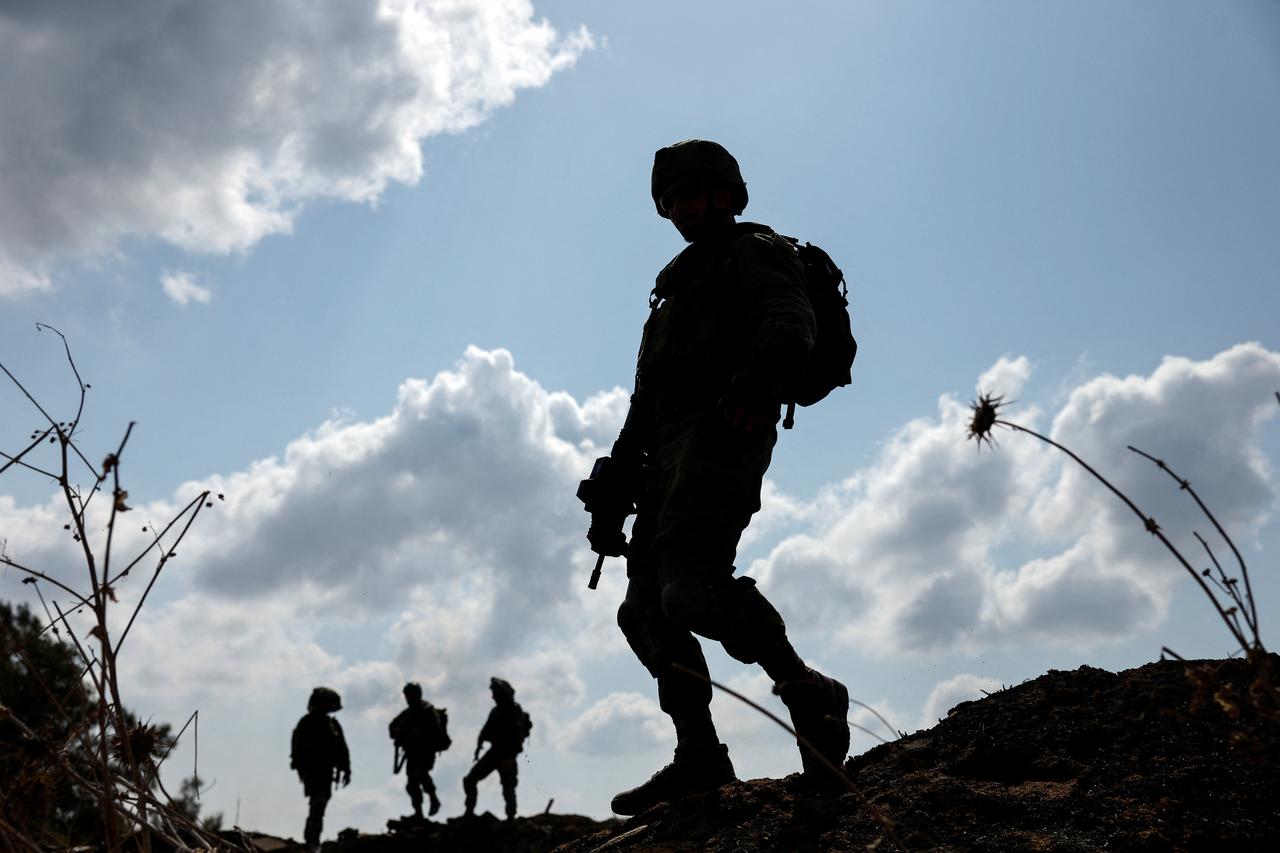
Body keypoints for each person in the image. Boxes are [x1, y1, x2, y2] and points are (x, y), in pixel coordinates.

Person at [582, 139, 851, 816]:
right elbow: (646, 403)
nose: (683, 208)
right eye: (671, 199)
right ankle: (700, 755)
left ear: (728, 193)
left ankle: (808, 694)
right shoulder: (671, 290)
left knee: (690, 592)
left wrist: (758, 385)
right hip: (667, 455)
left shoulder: (755, 253)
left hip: (725, 433)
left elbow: (793, 322)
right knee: (644, 609)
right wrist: (615, 483)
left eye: (695, 193)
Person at [462, 678, 532, 820]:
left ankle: (511, 817)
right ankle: (469, 812)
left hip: (507, 754)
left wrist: (510, 754)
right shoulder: (495, 711)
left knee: (508, 786)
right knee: (470, 780)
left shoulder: (514, 710)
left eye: (495, 692)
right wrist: (479, 744)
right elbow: (486, 730)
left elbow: (517, 734)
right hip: (494, 752)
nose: (492, 696)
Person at [290, 687, 351, 848]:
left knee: (320, 804)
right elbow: (297, 748)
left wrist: (346, 769)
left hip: (326, 771)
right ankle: (312, 839)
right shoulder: (307, 723)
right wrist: (301, 767)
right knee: (318, 803)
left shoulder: (331, 724)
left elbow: (342, 749)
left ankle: (312, 838)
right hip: (313, 771)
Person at [389, 681, 451, 819]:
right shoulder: (408, 712)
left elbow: (434, 731)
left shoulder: (427, 710)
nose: (407, 698)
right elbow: (392, 727)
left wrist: (418, 734)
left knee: (418, 778)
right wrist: (401, 732)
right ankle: (419, 813)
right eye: (406, 695)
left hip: (425, 752)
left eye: (409, 695)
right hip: (412, 753)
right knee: (412, 785)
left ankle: (434, 799)